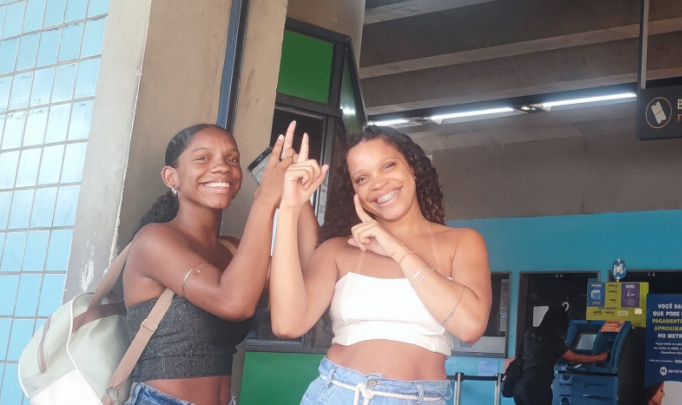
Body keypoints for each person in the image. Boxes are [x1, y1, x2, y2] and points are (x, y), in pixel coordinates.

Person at [270, 125, 493, 404]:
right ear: (353, 190)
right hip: (338, 392)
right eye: (362, 178)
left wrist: (396, 249)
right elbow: (287, 325)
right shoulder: (338, 249)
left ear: (412, 167)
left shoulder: (462, 242)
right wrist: (290, 209)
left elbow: (470, 326)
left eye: (388, 165)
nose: (378, 184)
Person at [122, 122, 309, 405]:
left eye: (231, 159)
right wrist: (265, 201)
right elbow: (233, 302)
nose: (222, 167)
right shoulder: (153, 240)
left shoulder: (232, 249)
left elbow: (303, 271)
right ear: (171, 177)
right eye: (202, 158)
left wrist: (296, 199)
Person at [513, 306, 609, 405]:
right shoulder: (553, 340)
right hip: (537, 389)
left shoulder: (530, 332)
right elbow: (576, 357)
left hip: (520, 388)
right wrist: (601, 357)